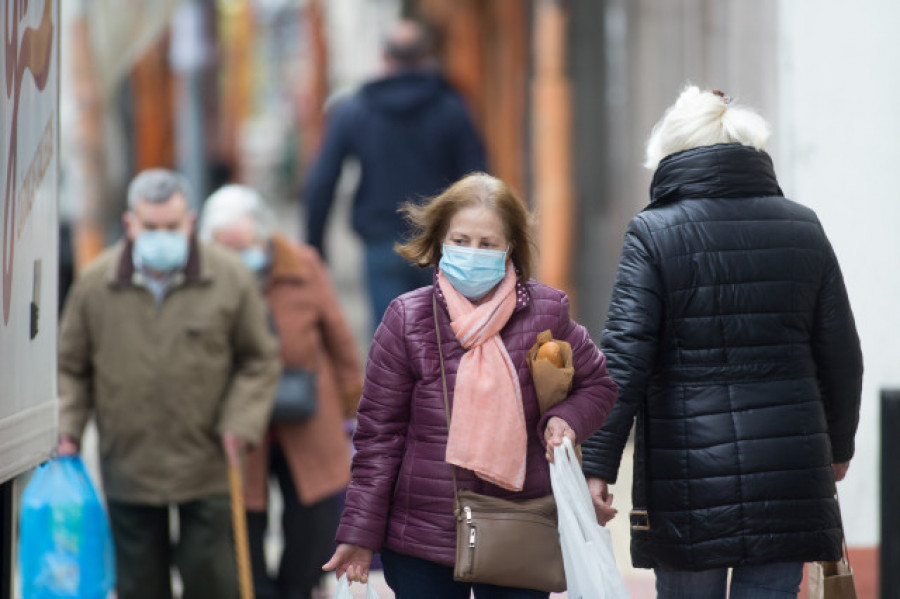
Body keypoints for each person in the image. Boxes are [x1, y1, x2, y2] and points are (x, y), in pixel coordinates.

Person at [581, 86, 864, 599]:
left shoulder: (653, 231)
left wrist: (596, 466)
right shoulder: (803, 227)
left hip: (689, 477)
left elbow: (624, 357)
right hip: (790, 471)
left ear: (672, 154)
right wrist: (837, 446)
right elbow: (842, 355)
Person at [322, 173, 619, 598]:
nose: (472, 253)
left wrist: (563, 420)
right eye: (461, 240)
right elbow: (378, 438)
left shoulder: (547, 311)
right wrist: (359, 532)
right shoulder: (406, 318)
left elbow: (598, 385)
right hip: (421, 536)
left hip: (520, 528)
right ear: (441, 241)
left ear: (510, 248)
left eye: (487, 244)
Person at [57, 169, 281, 599]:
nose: (162, 236)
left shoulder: (229, 277)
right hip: (129, 462)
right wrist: (69, 427)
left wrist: (242, 420)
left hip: (209, 460)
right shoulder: (95, 285)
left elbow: (260, 358)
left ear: (191, 222)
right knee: (139, 585)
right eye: (151, 226)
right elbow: (71, 366)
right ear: (130, 224)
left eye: (171, 227)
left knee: (212, 580)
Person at [199, 184, 364, 599]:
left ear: (263, 231)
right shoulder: (205, 279)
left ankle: (298, 587)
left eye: (245, 243)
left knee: (313, 521)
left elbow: (340, 341)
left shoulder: (303, 265)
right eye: (227, 246)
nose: (240, 254)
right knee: (243, 524)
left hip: (308, 415)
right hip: (241, 422)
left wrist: (353, 407)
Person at [303, 19, 487, 330]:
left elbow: (321, 183)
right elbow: (479, 181)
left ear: (385, 58)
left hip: (381, 244)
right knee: (444, 342)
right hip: (441, 245)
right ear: (424, 58)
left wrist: (315, 250)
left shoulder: (355, 110)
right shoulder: (451, 107)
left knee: (391, 342)